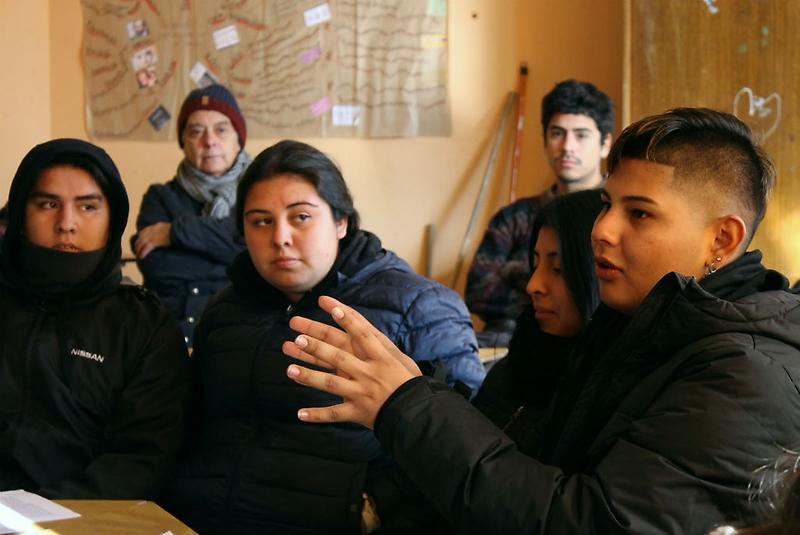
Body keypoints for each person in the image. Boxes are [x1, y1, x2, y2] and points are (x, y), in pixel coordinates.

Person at [284, 108, 800, 534]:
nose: (602, 230)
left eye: (639, 213)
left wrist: (409, 406)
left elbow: (584, 522)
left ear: (723, 240)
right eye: (606, 205)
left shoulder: (743, 374)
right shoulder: (635, 327)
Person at [162, 140, 485, 534]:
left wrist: (375, 505)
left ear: (341, 222)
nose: (280, 237)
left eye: (300, 217)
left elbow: (465, 448)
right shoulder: (224, 309)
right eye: (260, 221)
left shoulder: (418, 308)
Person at [0, 138, 190, 498]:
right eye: (47, 204)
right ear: (20, 216)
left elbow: (142, 458)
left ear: (112, 220)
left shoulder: (143, 325)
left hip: (77, 518)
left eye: (88, 207)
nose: (66, 223)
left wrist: (43, 514)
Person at [466, 79, 613, 345]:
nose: (567, 146)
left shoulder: (615, 216)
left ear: (605, 144)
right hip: (510, 343)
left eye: (581, 135)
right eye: (557, 133)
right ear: (545, 139)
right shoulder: (514, 217)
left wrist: (514, 274)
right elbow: (478, 290)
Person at [473, 189, 602, 444]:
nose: (533, 285)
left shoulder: (610, 389)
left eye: (558, 268)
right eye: (535, 264)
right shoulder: (520, 358)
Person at [132, 83, 251, 346]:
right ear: (183, 142)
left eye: (221, 130)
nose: (209, 141)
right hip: (168, 335)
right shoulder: (160, 197)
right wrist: (230, 249)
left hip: (239, 333)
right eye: (196, 131)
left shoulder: (258, 194)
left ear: (238, 139)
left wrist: (175, 233)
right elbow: (159, 269)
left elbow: (258, 250)